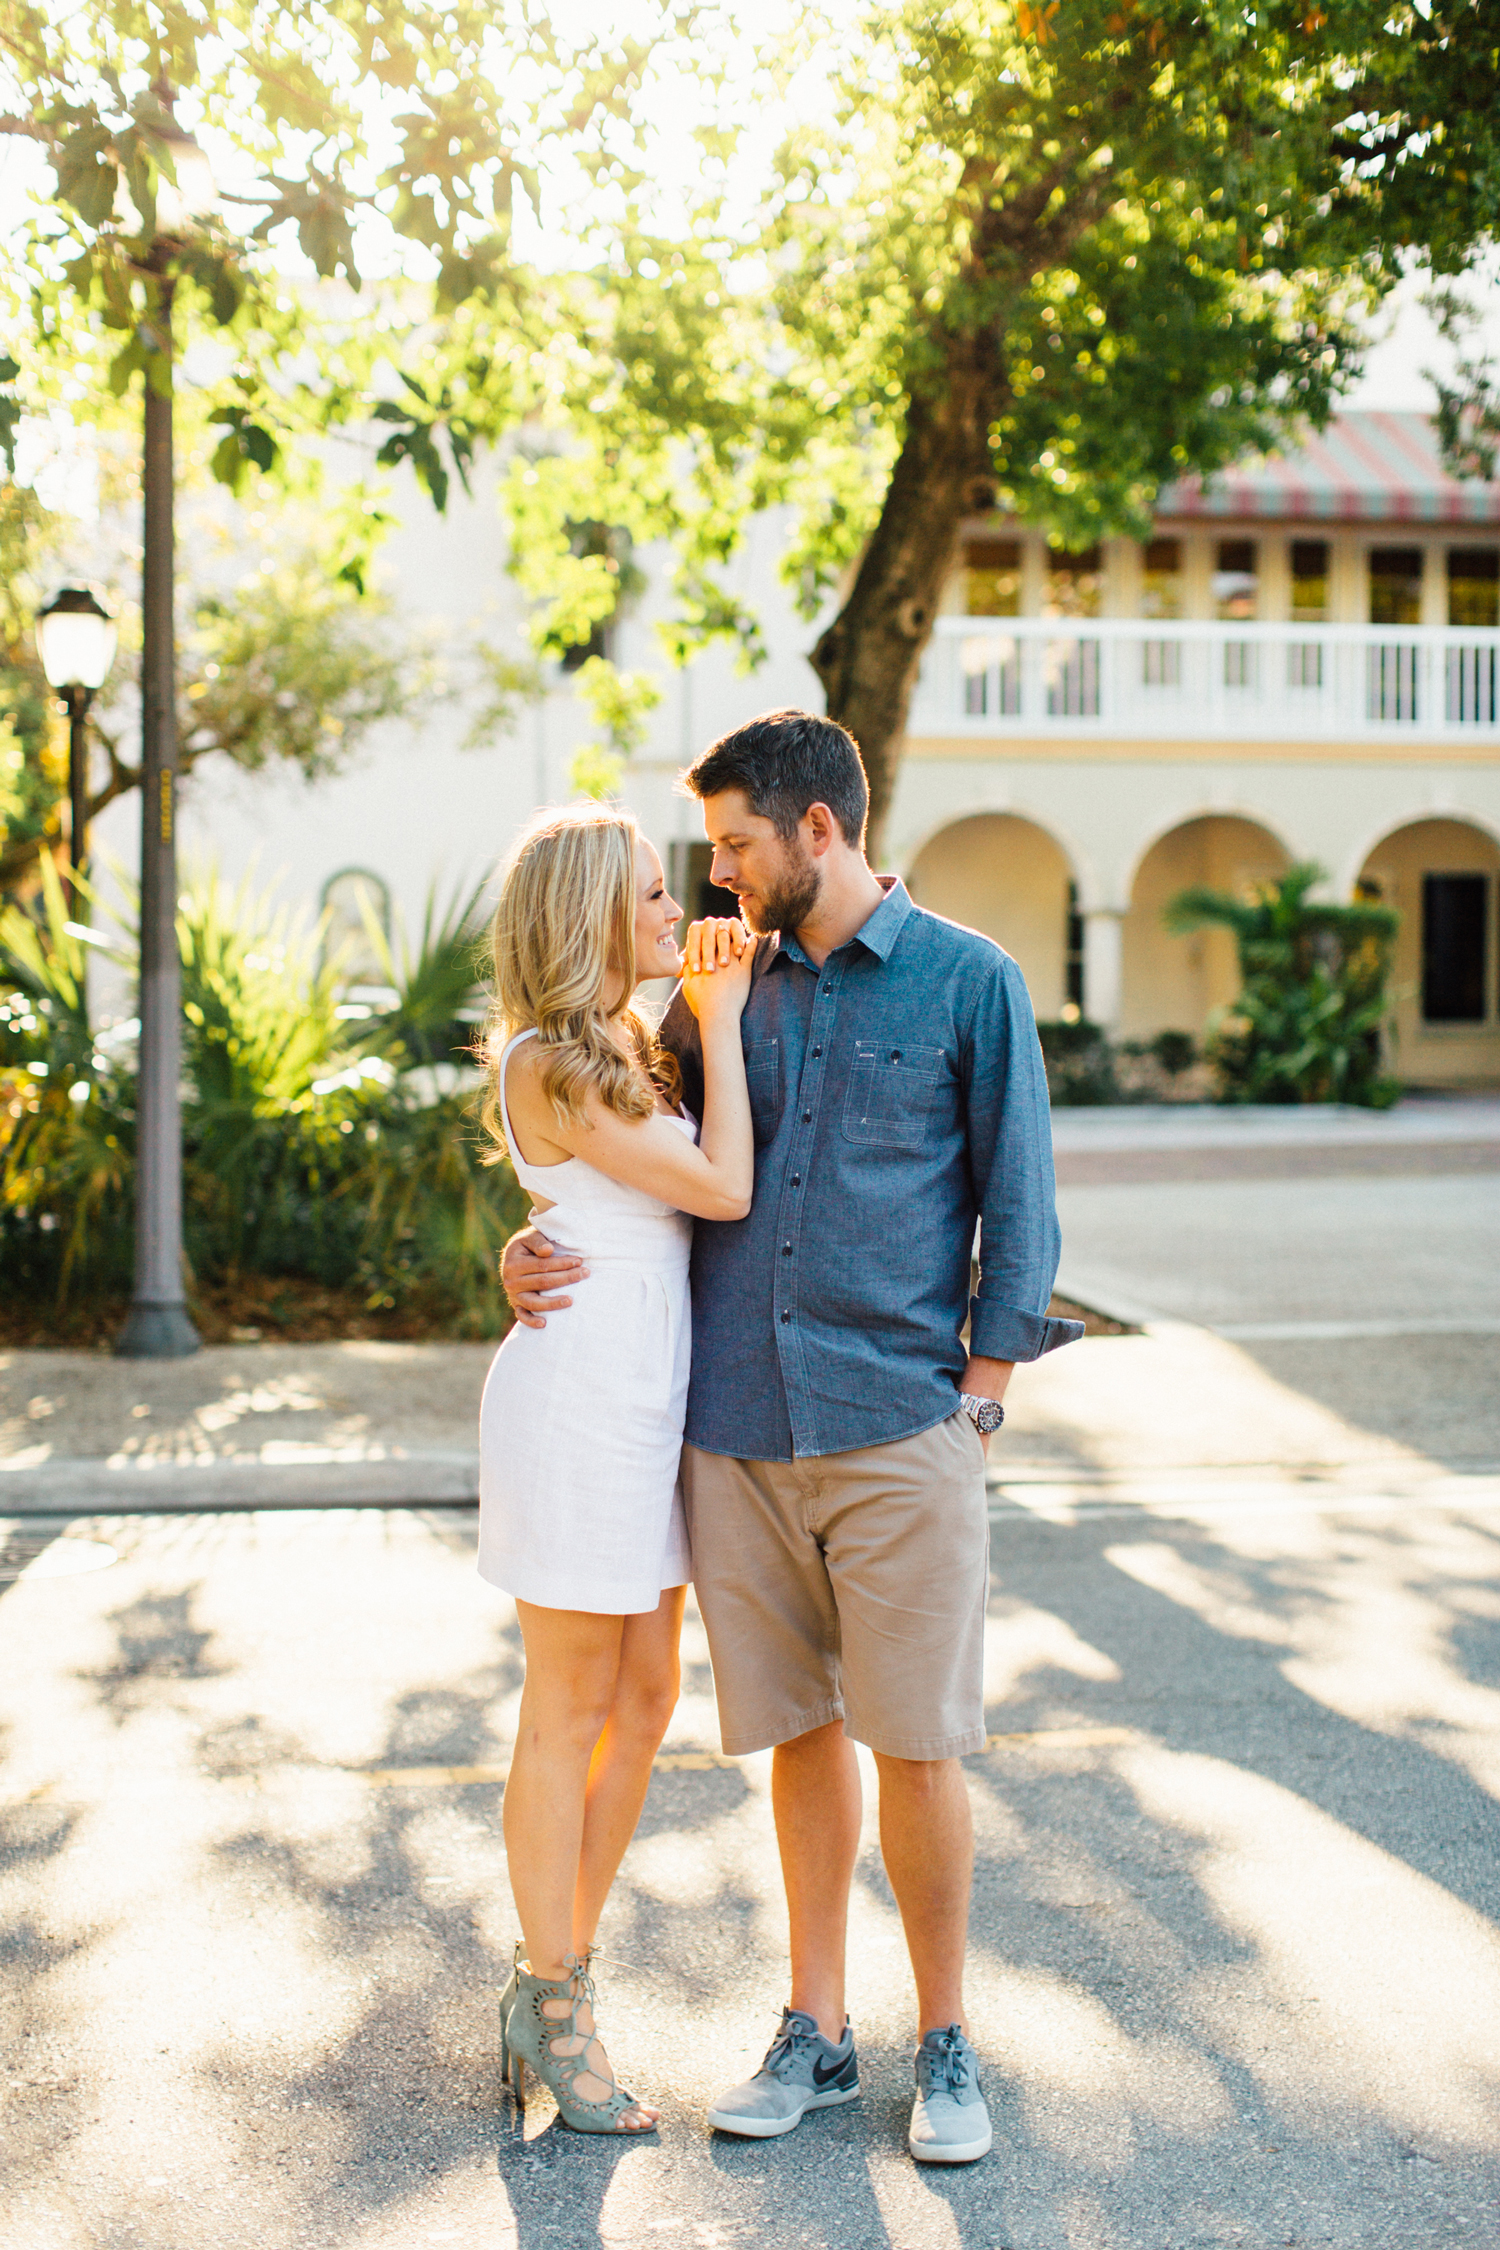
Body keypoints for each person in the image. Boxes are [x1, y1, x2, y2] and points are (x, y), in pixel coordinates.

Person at [504, 709, 1081, 2165]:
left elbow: (1021, 1205)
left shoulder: (971, 980)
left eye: (734, 845)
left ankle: (944, 2038)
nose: (716, 878)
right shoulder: (719, 992)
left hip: (901, 1421)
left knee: (923, 1743)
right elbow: (611, 1165)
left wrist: (987, 1392)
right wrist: (516, 1254)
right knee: (797, 1739)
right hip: (734, 1430)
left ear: (816, 829)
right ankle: (813, 2024)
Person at [477, 802, 755, 2134]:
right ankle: (560, 1989)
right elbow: (721, 1186)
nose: (672, 909)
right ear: (585, 910)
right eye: (648, 892)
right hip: (580, 1406)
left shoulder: (624, 1047)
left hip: (648, 1399)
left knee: (646, 1703)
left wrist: (702, 1013)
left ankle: (551, 1976)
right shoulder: (551, 1057)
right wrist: (732, 1017)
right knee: (568, 1708)